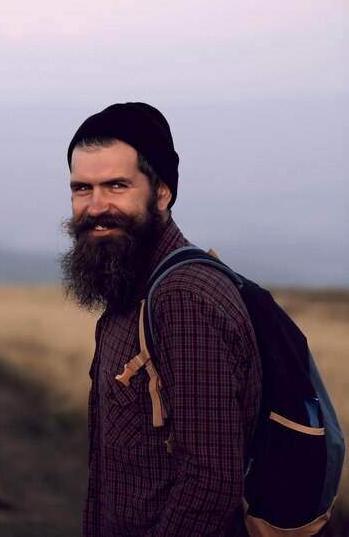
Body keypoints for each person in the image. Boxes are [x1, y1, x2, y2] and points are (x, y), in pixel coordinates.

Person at [61, 102, 262, 537]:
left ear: (162, 192)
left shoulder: (181, 299)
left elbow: (210, 487)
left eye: (116, 185)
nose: (95, 207)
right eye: (82, 188)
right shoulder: (131, 283)